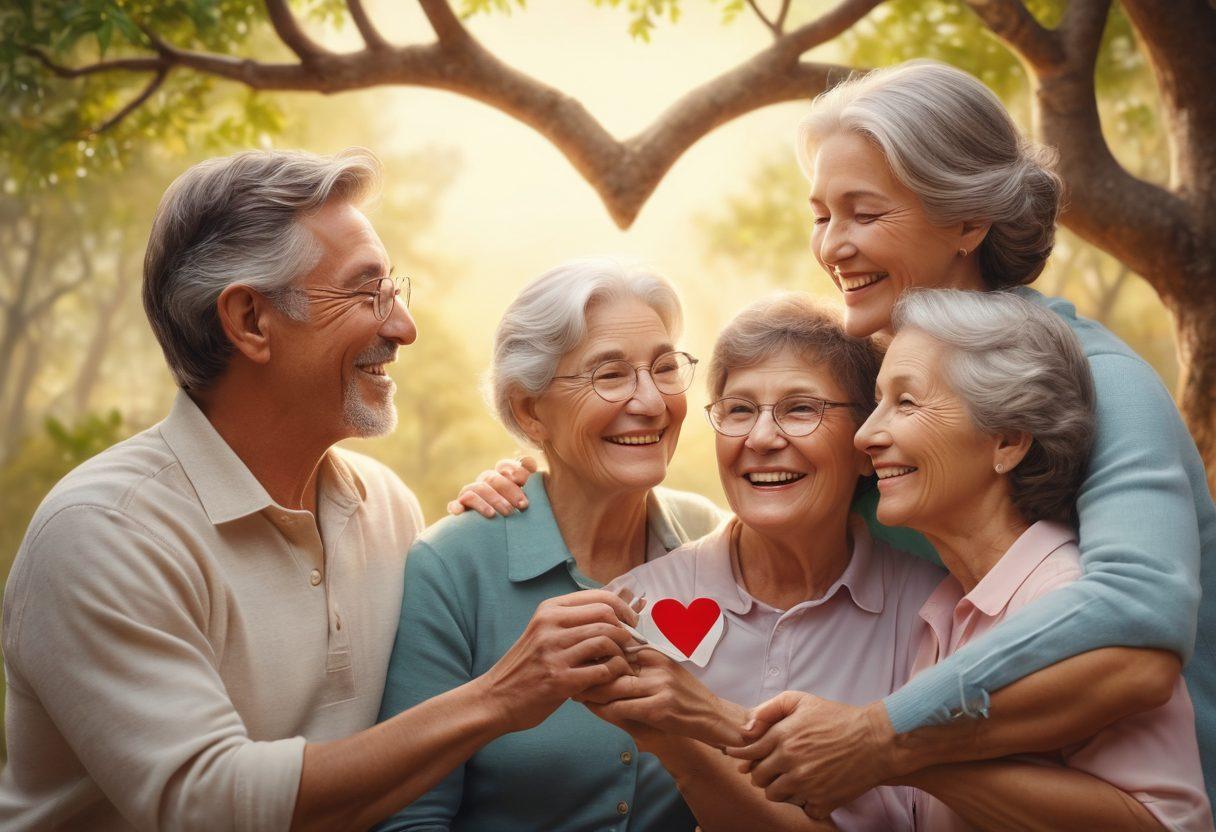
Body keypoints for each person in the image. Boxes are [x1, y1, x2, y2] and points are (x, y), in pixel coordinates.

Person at [0, 150, 640, 832]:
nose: (402, 328)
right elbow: (210, 805)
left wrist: (508, 505)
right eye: (367, 294)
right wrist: (499, 700)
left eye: (394, 292)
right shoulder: (103, 532)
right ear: (250, 321)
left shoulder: (385, 506)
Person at [726, 60, 1216, 817]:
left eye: (865, 213)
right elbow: (759, 512)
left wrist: (885, 736)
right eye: (822, 217)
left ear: (967, 221)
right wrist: (537, 485)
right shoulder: (870, 386)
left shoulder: (1102, 380)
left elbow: (1138, 624)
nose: (833, 247)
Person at [374, 258, 724, 831]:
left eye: (664, 368)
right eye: (610, 375)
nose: (653, 402)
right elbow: (408, 820)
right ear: (529, 410)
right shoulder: (451, 567)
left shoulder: (716, 542)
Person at [860, 289, 1209, 829]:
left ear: (1008, 441)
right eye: (877, 403)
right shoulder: (942, 612)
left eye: (905, 403)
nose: (866, 434)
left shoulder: (1060, 595)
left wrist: (911, 755)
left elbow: (1166, 824)